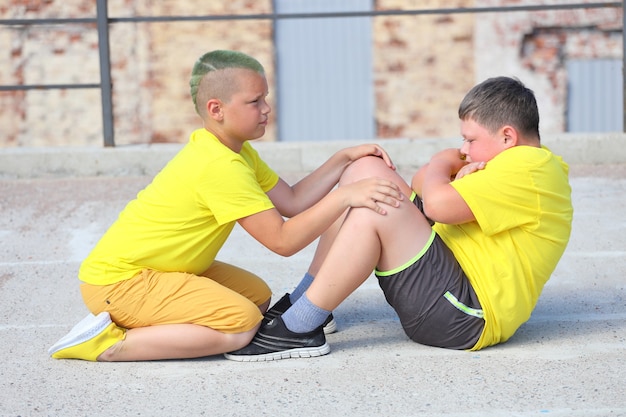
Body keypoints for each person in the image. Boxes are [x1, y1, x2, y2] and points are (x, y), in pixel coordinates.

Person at [47, 50, 404, 362]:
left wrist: (343, 160)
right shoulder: (218, 166)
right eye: (254, 102)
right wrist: (345, 197)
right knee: (240, 325)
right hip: (120, 281)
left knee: (258, 298)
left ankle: (150, 315)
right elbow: (282, 241)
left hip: (157, 270)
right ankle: (108, 343)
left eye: (266, 98)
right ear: (216, 109)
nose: (266, 109)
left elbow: (292, 201)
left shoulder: (232, 149)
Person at [225, 76, 574, 361]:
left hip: (465, 316)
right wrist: (448, 173)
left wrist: (444, 161)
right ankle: (309, 299)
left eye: (469, 139)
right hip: (447, 286)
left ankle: (300, 328)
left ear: (507, 136)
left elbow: (435, 203)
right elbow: (423, 185)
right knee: (364, 171)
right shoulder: (512, 163)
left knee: (371, 207)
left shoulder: (529, 167)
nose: (464, 149)